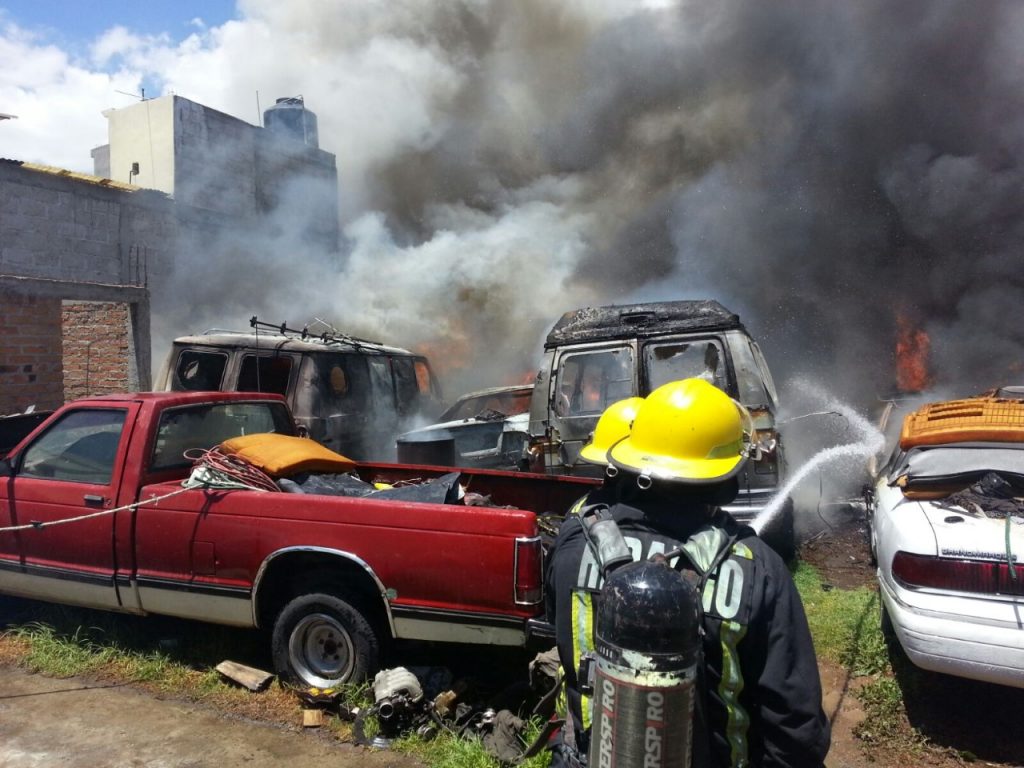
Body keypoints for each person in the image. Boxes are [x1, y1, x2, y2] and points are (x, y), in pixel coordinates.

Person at [545, 378, 830, 768]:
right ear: (725, 476)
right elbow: (795, 733)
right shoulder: (757, 568)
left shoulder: (574, 539)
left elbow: (558, 634)